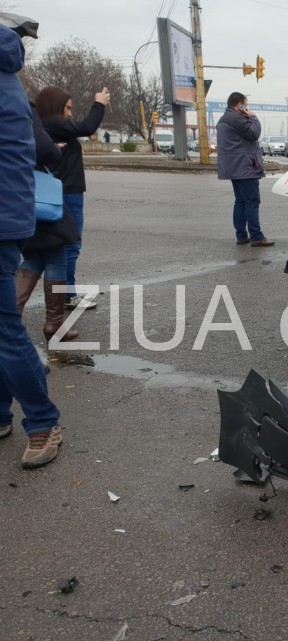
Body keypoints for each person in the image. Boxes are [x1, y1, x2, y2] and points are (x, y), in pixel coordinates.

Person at [0, 18, 63, 468]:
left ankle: (42, 422)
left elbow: (48, 149)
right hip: (13, 218)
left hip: (4, 220)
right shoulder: (12, 87)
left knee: (5, 329)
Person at [36, 84, 110, 310]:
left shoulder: (42, 125)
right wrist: (99, 103)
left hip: (58, 191)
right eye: (67, 108)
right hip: (68, 193)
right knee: (70, 244)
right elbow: (87, 127)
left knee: (46, 250)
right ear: (56, 106)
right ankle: (68, 294)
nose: (69, 113)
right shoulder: (55, 123)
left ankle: (62, 295)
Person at [16, 102, 81, 344]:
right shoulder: (19, 102)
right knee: (55, 251)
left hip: (14, 194)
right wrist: (54, 150)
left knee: (33, 255)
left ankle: (12, 318)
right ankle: (53, 323)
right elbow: (43, 149)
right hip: (33, 193)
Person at [216, 92, 274, 247]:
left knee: (240, 202)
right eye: (246, 105)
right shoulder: (237, 118)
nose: (247, 108)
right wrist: (253, 116)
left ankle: (241, 235)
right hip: (245, 167)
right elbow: (254, 133)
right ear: (240, 105)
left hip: (234, 167)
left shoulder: (224, 119)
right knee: (252, 202)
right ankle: (256, 236)